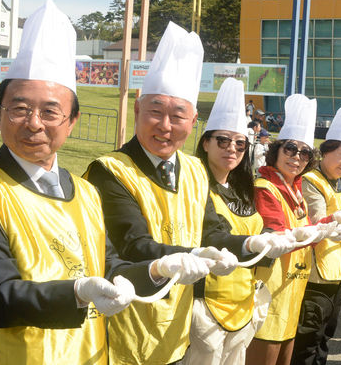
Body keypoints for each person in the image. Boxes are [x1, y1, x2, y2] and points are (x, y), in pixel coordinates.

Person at [0, 1, 189, 365]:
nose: (33, 123)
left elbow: (107, 266)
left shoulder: (86, 192)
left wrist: (159, 269)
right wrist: (78, 291)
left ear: (72, 121)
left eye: (50, 111)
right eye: (19, 108)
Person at [84, 23, 254, 365]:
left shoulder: (193, 168)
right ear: (137, 109)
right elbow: (133, 244)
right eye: (155, 111)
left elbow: (212, 229)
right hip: (124, 328)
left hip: (176, 329)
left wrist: (252, 246)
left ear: (192, 121)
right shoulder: (109, 170)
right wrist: (195, 255)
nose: (165, 125)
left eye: (178, 116)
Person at [185, 78, 294, 365]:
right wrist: (254, 243)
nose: (231, 148)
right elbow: (212, 234)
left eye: (239, 143)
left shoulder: (244, 190)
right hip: (204, 308)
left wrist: (273, 237)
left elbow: (261, 229)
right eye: (222, 140)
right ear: (205, 142)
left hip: (243, 304)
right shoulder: (195, 188)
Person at [292, 100, 341, 365]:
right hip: (316, 273)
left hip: (340, 269)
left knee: (326, 335)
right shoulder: (311, 180)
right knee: (308, 338)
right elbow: (316, 221)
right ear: (325, 152)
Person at [246, 94, 321, 365]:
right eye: (290, 149)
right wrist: (322, 230)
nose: (297, 157)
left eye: (305, 153)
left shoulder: (295, 188)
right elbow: (281, 233)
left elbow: (306, 232)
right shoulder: (265, 188)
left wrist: (334, 221)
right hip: (269, 291)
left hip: (291, 289)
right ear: (276, 150)